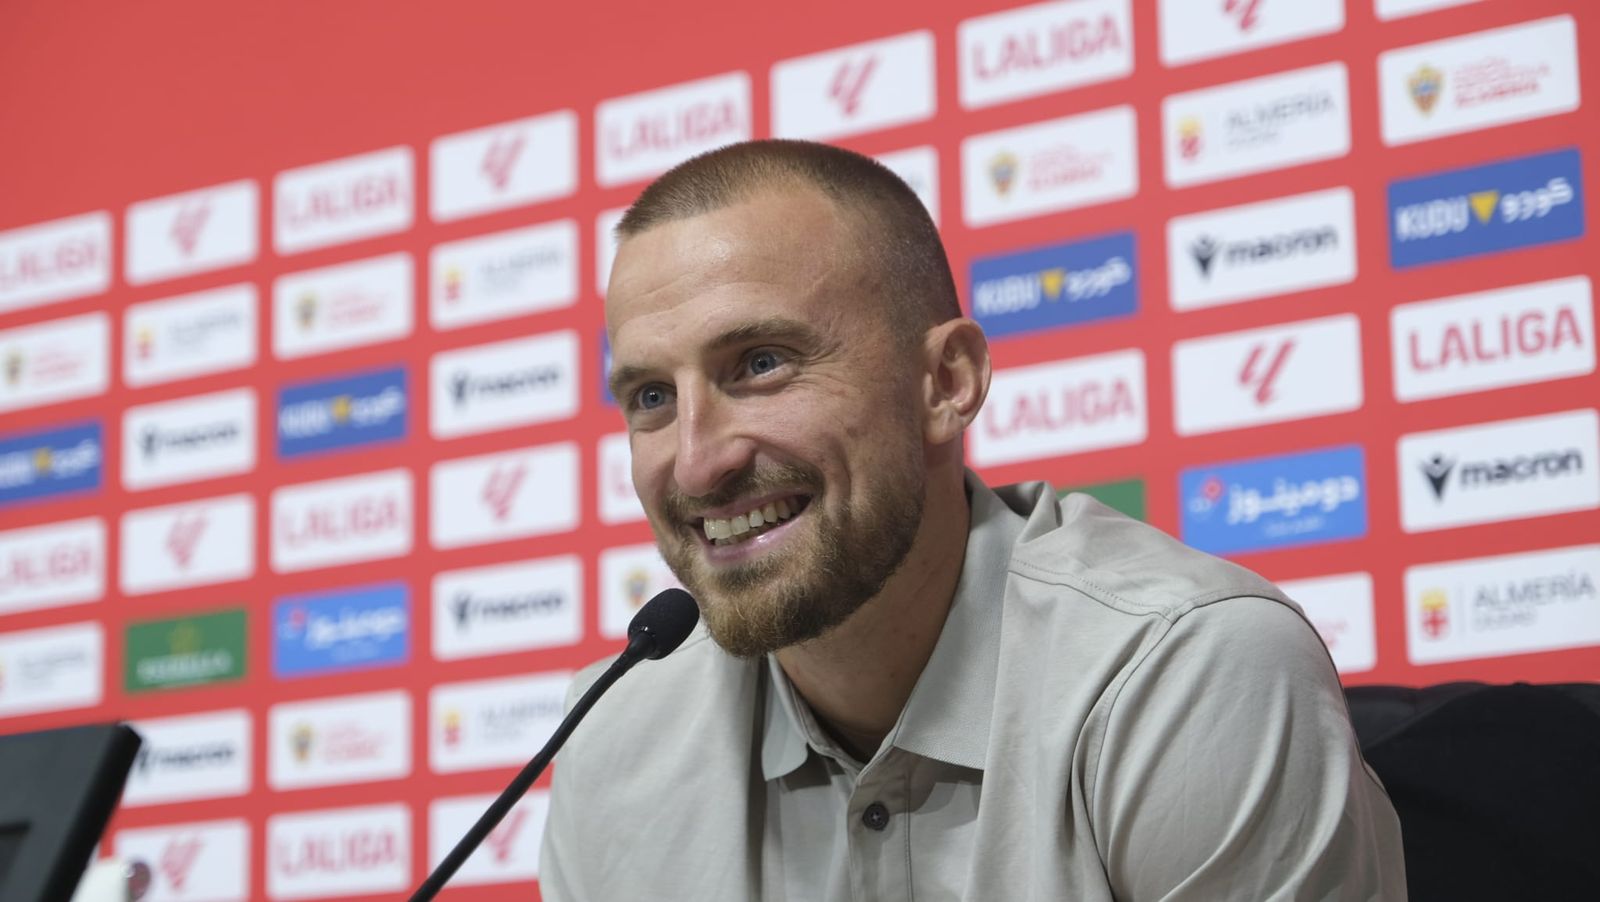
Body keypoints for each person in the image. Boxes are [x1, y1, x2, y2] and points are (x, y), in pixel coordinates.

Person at [539, 140, 1406, 900]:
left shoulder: (1183, 675)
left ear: (948, 382)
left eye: (761, 364)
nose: (695, 461)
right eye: (652, 396)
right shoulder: (616, 734)